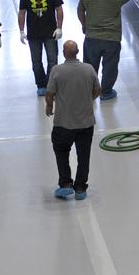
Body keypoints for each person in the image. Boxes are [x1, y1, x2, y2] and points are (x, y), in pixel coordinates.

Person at [44, 39, 100, 201]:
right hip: (86, 123)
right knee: (84, 156)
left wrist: (49, 106)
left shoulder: (57, 71)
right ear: (77, 53)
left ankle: (66, 184)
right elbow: (98, 90)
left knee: (61, 152)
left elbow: (49, 94)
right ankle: (81, 188)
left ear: (65, 53)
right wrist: (88, 100)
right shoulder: (88, 69)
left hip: (63, 123)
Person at [77, 0, 135, 101]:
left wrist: (84, 25)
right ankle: (106, 92)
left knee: (90, 65)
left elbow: (80, 10)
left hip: (92, 37)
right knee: (110, 67)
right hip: (112, 38)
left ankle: (90, 91)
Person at [18, 0, 64, 96]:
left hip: (50, 32)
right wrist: (21, 31)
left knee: (52, 60)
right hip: (33, 34)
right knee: (36, 62)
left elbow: (59, 9)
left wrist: (59, 27)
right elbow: (22, 13)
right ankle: (41, 84)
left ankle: (51, 84)